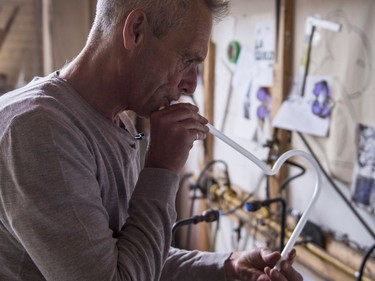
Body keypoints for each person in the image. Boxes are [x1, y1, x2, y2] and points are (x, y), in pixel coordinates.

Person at [0, 0, 303, 280]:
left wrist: (225, 268)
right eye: (186, 60)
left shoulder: (118, 124)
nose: (190, 85)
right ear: (135, 30)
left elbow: (132, 259)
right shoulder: (40, 131)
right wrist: (162, 169)